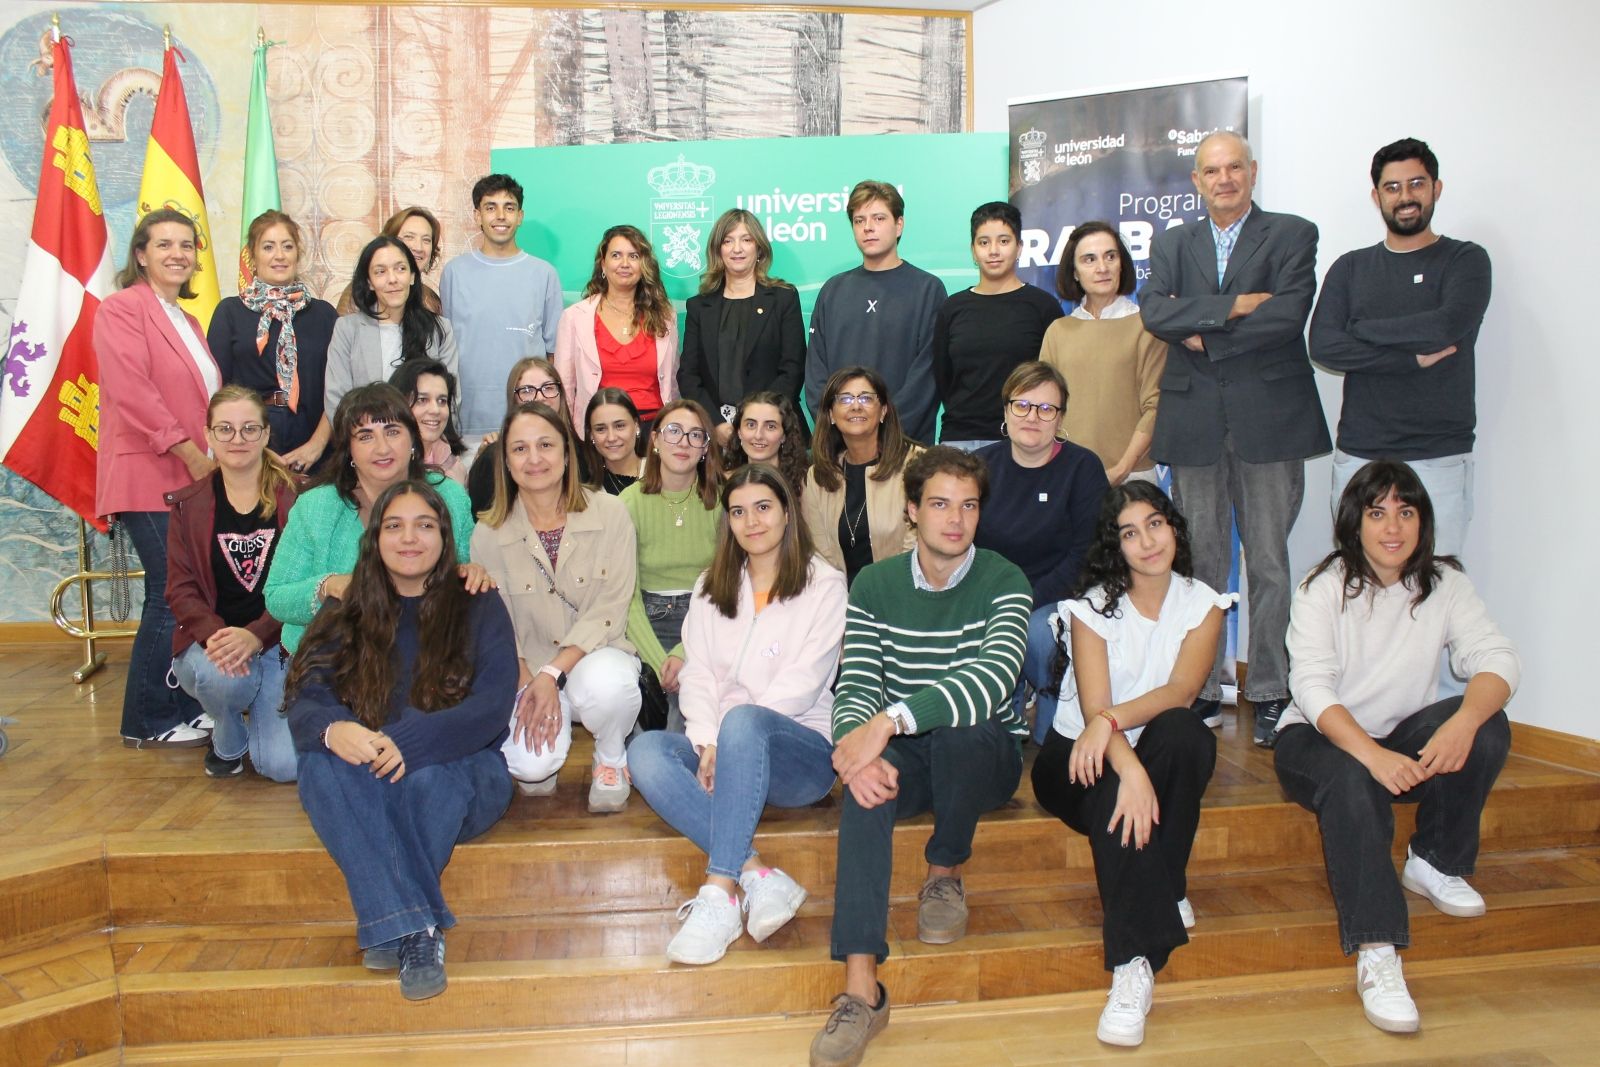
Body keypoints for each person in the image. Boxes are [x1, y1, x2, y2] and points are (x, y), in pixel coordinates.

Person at [1273, 459, 1517, 1034]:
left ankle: (1434, 861)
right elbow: (1311, 688)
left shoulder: (1446, 583)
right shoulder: (1322, 586)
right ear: (1354, 521)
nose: (1392, 527)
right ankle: (1377, 948)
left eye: (1406, 512)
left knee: (1487, 721)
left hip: (1401, 734)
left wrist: (1463, 720)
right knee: (1353, 779)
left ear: (1422, 522)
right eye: (1377, 512)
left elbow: (1498, 658)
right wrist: (1371, 754)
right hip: (1314, 736)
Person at [810, 446, 1031, 1067]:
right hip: (908, 759)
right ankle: (861, 989)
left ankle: (945, 872)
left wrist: (890, 720)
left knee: (964, 730)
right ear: (912, 511)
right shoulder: (875, 584)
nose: (955, 519)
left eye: (968, 505)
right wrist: (855, 750)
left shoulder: (1004, 579)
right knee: (863, 786)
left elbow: (993, 679)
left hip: (983, 762)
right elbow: (855, 683)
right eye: (939, 504)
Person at [286, 479, 517, 1001]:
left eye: (424, 525)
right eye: (394, 526)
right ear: (375, 538)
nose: (409, 538)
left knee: (428, 782)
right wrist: (333, 728)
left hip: (462, 769)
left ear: (443, 537)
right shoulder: (345, 608)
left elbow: (492, 705)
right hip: (372, 772)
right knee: (320, 766)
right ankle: (417, 929)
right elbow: (307, 696)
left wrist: (408, 741)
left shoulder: (476, 601)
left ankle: (393, 921)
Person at [1138, 131, 1330, 745]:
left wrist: (1204, 327)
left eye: (1234, 169)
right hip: (1195, 421)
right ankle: (1201, 687)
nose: (1224, 179)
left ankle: (1271, 689)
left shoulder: (1293, 234)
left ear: (1253, 172)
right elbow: (1154, 313)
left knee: (1270, 562)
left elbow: (1286, 315)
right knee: (1202, 565)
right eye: (1211, 171)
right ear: (1196, 181)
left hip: (1270, 417)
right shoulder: (1172, 241)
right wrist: (1236, 306)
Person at [1031, 481, 1228, 1047]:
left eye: (1155, 524)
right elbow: (1092, 710)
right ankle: (1134, 963)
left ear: (1174, 529)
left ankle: (1162, 889)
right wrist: (1130, 767)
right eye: (1129, 533)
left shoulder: (1203, 603)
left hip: (1134, 742)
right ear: (1115, 547)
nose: (1146, 541)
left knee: (1187, 734)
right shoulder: (1091, 608)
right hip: (1075, 760)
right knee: (1118, 793)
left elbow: (1183, 689)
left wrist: (1118, 729)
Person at [628, 464, 846, 964]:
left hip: (800, 755)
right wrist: (706, 742)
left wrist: (725, 741)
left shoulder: (825, 585)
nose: (751, 522)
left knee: (746, 718)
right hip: (724, 747)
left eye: (763, 508)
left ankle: (719, 893)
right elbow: (699, 674)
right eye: (739, 512)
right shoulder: (711, 587)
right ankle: (757, 874)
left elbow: (804, 682)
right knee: (646, 750)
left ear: (788, 514)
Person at [1310, 138, 1490, 559]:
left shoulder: (1464, 260)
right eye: (1393, 187)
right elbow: (1323, 345)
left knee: (1437, 588)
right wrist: (1408, 359)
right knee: (1357, 588)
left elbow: (1443, 328)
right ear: (1377, 197)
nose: (1405, 197)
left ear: (1435, 189)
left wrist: (1362, 328)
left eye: (1416, 184)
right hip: (1360, 455)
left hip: (1438, 457)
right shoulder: (1351, 268)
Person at [470, 402, 643, 811]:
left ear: (567, 453)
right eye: (520, 449)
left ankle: (612, 758)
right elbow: (498, 624)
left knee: (610, 688)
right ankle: (548, 742)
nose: (534, 459)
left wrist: (553, 672)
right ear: (506, 462)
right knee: (531, 767)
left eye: (546, 445)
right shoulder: (488, 533)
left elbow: (611, 606)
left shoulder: (611, 512)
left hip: (594, 655)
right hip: (526, 668)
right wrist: (531, 682)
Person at [96, 207, 220, 748]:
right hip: (151, 470)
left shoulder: (187, 320)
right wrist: (190, 452)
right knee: (166, 597)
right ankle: (146, 719)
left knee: (185, 592)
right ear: (141, 254)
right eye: (164, 244)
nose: (178, 253)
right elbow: (133, 390)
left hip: (189, 474)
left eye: (187, 245)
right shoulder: (122, 309)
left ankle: (180, 705)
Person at [264, 384, 481, 657]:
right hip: (328, 666)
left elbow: (466, 573)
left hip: (426, 657)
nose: (382, 448)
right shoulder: (315, 507)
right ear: (348, 449)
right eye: (366, 436)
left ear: (413, 441)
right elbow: (276, 597)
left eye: (392, 432)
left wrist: (471, 573)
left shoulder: (449, 497)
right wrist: (326, 587)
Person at [167, 385, 301, 781]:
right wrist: (220, 638)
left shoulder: (298, 498)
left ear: (265, 435)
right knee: (218, 678)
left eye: (248, 429)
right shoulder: (188, 505)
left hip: (277, 644)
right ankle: (227, 737)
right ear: (207, 435)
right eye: (224, 429)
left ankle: (260, 702)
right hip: (216, 649)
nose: (237, 439)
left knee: (284, 768)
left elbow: (302, 583)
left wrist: (256, 636)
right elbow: (180, 588)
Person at [974, 362, 1108, 740]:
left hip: (1058, 600)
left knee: (1037, 633)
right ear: (1005, 410)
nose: (1033, 417)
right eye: (1022, 405)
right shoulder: (980, 466)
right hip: (992, 597)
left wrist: (1024, 601)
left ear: (1060, 416)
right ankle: (1005, 707)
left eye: (1046, 409)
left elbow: (1086, 555)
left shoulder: (1082, 468)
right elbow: (965, 548)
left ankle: (1051, 713)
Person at [803, 180, 947, 442]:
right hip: (841, 447)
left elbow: (927, 376)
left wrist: (883, 430)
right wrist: (840, 427)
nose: (868, 227)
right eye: (859, 221)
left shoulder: (928, 289)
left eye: (878, 218)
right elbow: (815, 375)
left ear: (899, 224)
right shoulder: (833, 290)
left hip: (905, 445)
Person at [207, 210, 338, 473]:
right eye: (268, 247)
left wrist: (317, 444)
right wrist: (253, 448)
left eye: (287, 246)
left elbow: (341, 386)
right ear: (253, 257)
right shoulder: (230, 312)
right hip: (250, 438)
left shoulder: (324, 314)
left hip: (315, 435)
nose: (279, 255)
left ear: (297, 254)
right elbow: (217, 390)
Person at [620, 399, 724, 731]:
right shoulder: (627, 503)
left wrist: (684, 651)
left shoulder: (723, 504)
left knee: (693, 713)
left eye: (696, 435)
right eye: (674, 431)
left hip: (704, 620)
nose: (683, 442)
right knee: (643, 705)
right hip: (642, 623)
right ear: (654, 440)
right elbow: (626, 594)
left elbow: (725, 585)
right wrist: (659, 660)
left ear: (706, 448)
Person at [1039, 222, 1166, 485]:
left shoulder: (1147, 327)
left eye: (1111, 256)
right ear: (1074, 272)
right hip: (1068, 476)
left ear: (1122, 264)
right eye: (1089, 259)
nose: (1102, 268)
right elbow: (1044, 407)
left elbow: (1156, 406)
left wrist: (1121, 469)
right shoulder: (1058, 331)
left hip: (1133, 476)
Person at [440, 174, 565, 437]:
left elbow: (554, 354)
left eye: (509, 208)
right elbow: (447, 348)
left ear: (520, 216)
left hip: (530, 417)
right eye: (490, 207)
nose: (500, 216)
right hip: (468, 419)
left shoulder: (544, 274)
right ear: (477, 216)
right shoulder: (454, 273)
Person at [933, 201, 1063, 450]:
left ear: (1019, 248)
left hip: (1023, 438)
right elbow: (943, 378)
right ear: (973, 250)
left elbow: (1054, 377)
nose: (993, 251)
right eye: (984, 242)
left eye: (1004, 241)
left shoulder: (1043, 307)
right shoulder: (952, 308)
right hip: (960, 437)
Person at [677, 209, 805, 447]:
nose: (737, 249)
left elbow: (793, 369)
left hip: (774, 431)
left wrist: (755, 423)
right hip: (716, 434)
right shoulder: (699, 306)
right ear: (718, 250)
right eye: (728, 241)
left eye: (746, 240)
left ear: (759, 248)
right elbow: (689, 375)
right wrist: (716, 424)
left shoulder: (783, 298)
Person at [801, 366, 923, 586]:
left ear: (884, 410)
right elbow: (820, 555)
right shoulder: (817, 476)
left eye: (866, 398)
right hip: (840, 599)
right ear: (830, 414)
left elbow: (917, 545)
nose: (856, 406)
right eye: (845, 399)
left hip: (902, 590)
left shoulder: (917, 464)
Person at [554, 225, 678, 432]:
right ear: (603, 264)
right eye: (616, 255)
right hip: (600, 430)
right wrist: (566, 435)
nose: (625, 264)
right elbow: (565, 385)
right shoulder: (575, 317)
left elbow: (672, 382)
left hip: (655, 430)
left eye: (634, 256)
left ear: (644, 264)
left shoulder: (665, 316)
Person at [325, 236, 460, 420]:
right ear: (369, 282)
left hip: (424, 442)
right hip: (366, 442)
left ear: (412, 276)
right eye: (380, 272)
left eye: (401, 269)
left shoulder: (440, 329)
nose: (392, 279)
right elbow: (336, 401)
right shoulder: (347, 329)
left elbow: (450, 398)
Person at [468, 357, 584, 514]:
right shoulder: (492, 459)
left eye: (548, 387)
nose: (540, 397)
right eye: (527, 391)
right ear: (513, 399)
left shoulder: (582, 453)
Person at [335, 206, 443, 315]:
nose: (418, 247)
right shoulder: (358, 294)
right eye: (409, 237)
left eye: (426, 240)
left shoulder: (430, 300)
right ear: (389, 241)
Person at [389, 359, 467, 487]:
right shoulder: (383, 465)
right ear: (398, 404)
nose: (435, 410)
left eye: (442, 401)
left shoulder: (456, 467)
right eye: (422, 400)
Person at [720, 390, 810, 499]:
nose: (758, 435)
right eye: (751, 425)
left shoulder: (806, 485)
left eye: (770, 426)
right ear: (739, 432)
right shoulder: (722, 484)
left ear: (784, 435)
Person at [582, 387, 647, 496]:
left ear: (636, 426)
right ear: (591, 434)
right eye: (601, 429)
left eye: (619, 426)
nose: (611, 438)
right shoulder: (586, 489)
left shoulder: (660, 472)